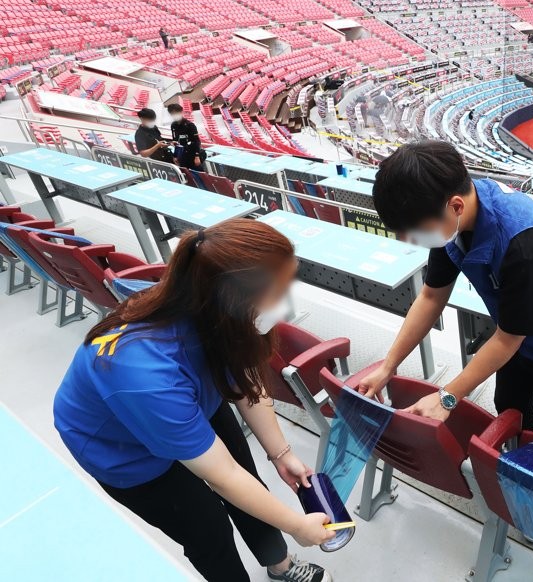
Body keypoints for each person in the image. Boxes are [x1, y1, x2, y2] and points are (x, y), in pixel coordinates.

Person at [53, 220, 334, 582]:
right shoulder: (146, 374)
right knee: (207, 528)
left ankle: (279, 564)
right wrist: (298, 525)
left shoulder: (216, 314)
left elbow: (246, 380)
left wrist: (281, 454)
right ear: (236, 298)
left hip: (184, 397)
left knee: (249, 484)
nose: (286, 303)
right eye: (279, 292)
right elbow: (223, 477)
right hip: (122, 448)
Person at [363, 141, 533, 443]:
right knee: (508, 409)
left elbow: (508, 339)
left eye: (413, 229)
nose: (409, 239)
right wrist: (388, 366)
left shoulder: (529, 244)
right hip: (516, 334)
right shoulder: (452, 220)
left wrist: (446, 399)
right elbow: (431, 296)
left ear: (455, 206)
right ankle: (514, 470)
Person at [169, 102, 206, 171]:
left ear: (181, 112)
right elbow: (176, 142)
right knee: (186, 175)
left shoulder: (190, 125)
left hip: (192, 155)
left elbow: (197, 141)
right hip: (182, 156)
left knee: (199, 174)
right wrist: (175, 155)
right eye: (172, 114)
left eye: (176, 113)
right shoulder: (173, 125)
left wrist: (197, 156)